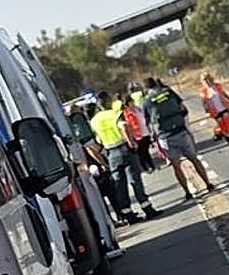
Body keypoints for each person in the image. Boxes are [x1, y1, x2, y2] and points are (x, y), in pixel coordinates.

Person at [90, 91, 160, 222]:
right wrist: (131, 142)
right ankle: (147, 208)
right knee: (135, 179)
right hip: (124, 149)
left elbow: (95, 142)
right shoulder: (114, 114)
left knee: (119, 184)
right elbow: (124, 126)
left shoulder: (94, 121)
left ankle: (128, 215)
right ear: (108, 102)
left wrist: (101, 160)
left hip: (110, 153)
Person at [143, 77, 214, 202]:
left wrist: (154, 137)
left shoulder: (147, 101)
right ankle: (208, 184)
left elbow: (148, 122)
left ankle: (187, 193)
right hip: (180, 130)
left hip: (165, 136)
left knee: (176, 165)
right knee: (194, 159)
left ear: (146, 88)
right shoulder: (168, 92)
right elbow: (183, 108)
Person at [199, 72, 229, 144]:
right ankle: (228, 137)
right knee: (221, 124)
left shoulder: (217, 86)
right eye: (204, 81)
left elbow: (224, 94)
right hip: (214, 110)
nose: (206, 82)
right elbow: (204, 102)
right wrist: (207, 111)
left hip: (223, 106)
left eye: (207, 79)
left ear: (210, 79)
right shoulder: (203, 91)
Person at [121, 94, 155, 172]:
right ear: (127, 104)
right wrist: (131, 139)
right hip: (137, 135)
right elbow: (129, 126)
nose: (132, 103)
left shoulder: (138, 109)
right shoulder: (127, 113)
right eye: (130, 102)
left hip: (145, 132)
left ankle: (151, 165)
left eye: (132, 101)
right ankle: (145, 167)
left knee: (146, 150)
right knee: (141, 153)